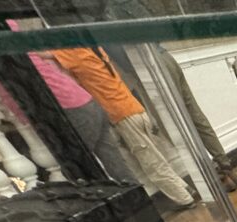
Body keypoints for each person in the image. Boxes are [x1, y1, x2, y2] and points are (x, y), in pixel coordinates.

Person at [51, 44, 195, 207]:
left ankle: (184, 199)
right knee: (156, 157)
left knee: (151, 163)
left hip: (123, 115)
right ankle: (185, 190)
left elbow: (46, 56)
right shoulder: (95, 50)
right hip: (135, 108)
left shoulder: (76, 53)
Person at [5, 19, 136, 184]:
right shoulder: (86, 49)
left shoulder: (70, 53)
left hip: (72, 107)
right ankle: (133, 192)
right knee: (113, 162)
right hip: (87, 101)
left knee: (77, 168)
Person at [155, 45, 237, 193]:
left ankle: (218, 176)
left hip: (152, 66)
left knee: (176, 126)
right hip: (165, 56)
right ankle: (225, 167)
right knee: (195, 116)